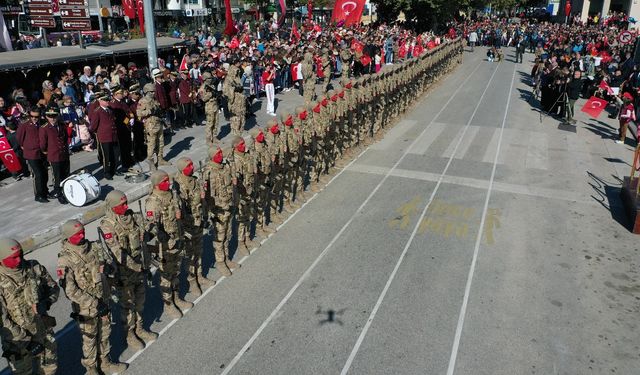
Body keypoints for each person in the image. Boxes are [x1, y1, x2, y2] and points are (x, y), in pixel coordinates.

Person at [57, 220, 128, 375]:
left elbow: (109, 263)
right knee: (90, 339)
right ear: (69, 237)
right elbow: (70, 291)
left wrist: (110, 268)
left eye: (83, 232)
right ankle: (92, 369)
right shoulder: (65, 259)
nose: (82, 235)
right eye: (77, 234)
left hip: (103, 298)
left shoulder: (94, 246)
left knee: (104, 333)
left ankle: (105, 363)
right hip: (85, 308)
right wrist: (94, 303)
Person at [99, 190, 158, 351]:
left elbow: (147, 228)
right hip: (123, 273)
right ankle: (130, 335)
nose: (126, 206)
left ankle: (139, 328)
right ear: (113, 206)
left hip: (139, 267)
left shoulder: (133, 217)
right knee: (127, 305)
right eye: (122, 204)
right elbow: (117, 252)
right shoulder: (107, 226)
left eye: (126, 202)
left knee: (140, 300)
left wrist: (150, 233)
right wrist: (139, 267)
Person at [0, 237, 59, 375]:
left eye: (20, 255)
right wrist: (27, 342)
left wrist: (48, 301)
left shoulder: (34, 267)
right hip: (17, 341)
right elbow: (2, 321)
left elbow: (53, 287)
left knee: (50, 368)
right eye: (13, 258)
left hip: (43, 330)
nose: (19, 260)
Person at [144, 170, 193, 318]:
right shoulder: (153, 202)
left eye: (168, 180)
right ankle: (169, 304)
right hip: (164, 246)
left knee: (175, 271)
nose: (168, 183)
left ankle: (177, 297)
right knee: (166, 276)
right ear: (157, 185)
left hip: (177, 240)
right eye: (164, 181)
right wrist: (160, 234)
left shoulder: (172, 195)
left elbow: (179, 212)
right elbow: (151, 227)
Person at [173, 158, 214, 296]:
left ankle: (200, 275)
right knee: (189, 255)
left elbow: (201, 202)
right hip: (187, 226)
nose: (192, 167)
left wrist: (203, 198)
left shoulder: (195, 180)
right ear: (182, 168)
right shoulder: (177, 187)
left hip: (198, 222)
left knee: (199, 251)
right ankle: (192, 280)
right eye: (189, 166)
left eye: (192, 164)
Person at [17, 107, 49, 202]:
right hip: (31, 153)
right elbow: (19, 138)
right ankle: (38, 195)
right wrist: (25, 146)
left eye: (36, 116)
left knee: (45, 173)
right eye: (32, 116)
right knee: (38, 174)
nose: (34, 118)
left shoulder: (42, 123)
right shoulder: (24, 125)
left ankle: (45, 191)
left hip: (42, 152)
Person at [39, 106, 70, 204]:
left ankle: (66, 192)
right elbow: (43, 144)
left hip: (64, 154)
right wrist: (47, 151)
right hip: (54, 155)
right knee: (57, 176)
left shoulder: (61, 125)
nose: (52, 118)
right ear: (46, 117)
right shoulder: (44, 128)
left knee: (65, 175)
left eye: (54, 116)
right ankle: (59, 194)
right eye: (50, 116)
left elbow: (65, 138)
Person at [137, 83, 169, 170]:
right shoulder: (142, 101)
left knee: (161, 143)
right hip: (150, 126)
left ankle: (160, 159)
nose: (153, 93)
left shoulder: (154, 99)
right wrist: (150, 111)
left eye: (154, 91)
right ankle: (151, 163)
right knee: (151, 145)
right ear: (146, 92)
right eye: (151, 92)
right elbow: (139, 113)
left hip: (158, 123)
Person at [90, 93, 118, 180]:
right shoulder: (97, 111)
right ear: (100, 101)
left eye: (108, 100)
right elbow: (93, 126)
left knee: (114, 154)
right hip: (104, 137)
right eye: (105, 100)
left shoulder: (109, 109)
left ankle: (114, 170)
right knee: (106, 156)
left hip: (113, 135)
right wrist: (98, 133)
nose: (107, 101)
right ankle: (106, 172)